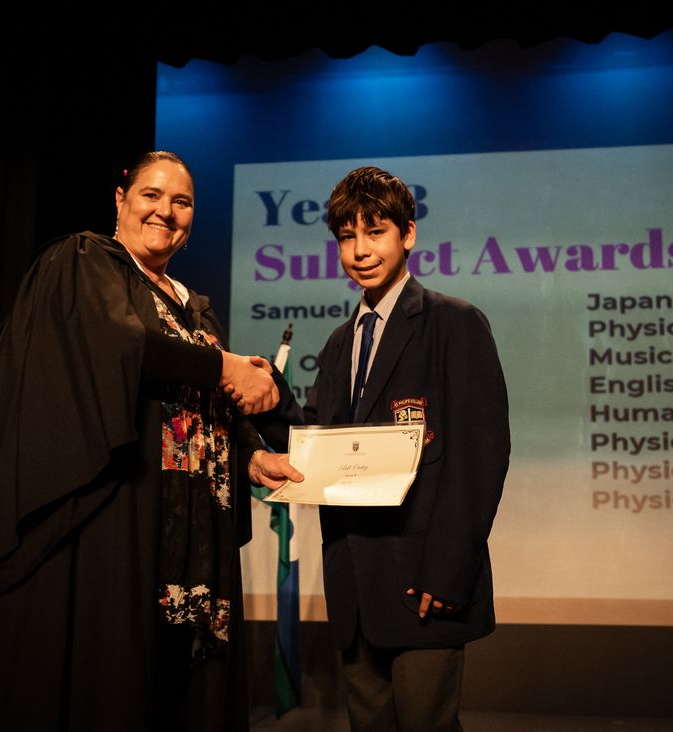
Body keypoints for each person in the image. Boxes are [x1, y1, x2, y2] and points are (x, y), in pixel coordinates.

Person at [0, 151, 291, 731]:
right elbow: (122, 345)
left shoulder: (195, 309)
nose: (165, 211)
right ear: (121, 200)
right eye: (152, 195)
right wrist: (225, 365)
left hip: (195, 542)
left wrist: (252, 456)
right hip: (119, 526)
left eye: (181, 202)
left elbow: (202, 406)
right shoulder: (83, 262)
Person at [247, 166, 510, 732]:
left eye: (376, 232)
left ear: (407, 234)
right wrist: (267, 394)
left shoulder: (454, 324)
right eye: (347, 237)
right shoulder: (340, 342)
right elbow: (316, 444)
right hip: (355, 589)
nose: (360, 250)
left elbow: (480, 460)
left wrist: (448, 574)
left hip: (425, 585)